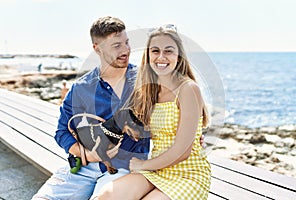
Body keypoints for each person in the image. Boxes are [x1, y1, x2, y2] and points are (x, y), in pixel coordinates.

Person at [32, 16, 150, 200]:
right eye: (116, 46)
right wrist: (87, 155)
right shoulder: (80, 88)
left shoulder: (145, 82)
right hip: (83, 168)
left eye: (126, 42)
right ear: (97, 48)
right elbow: (61, 132)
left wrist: (191, 132)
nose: (126, 50)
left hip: (125, 170)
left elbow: (171, 114)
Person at [96, 24, 211, 199]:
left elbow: (182, 150)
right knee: (107, 195)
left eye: (169, 51)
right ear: (148, 55)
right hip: (156, 170)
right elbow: (124, 119)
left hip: (187, 173)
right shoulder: (148, 90)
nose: (161, 57)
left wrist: (143, 165)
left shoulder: (188, 88)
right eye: (155, 51)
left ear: (179, 56)